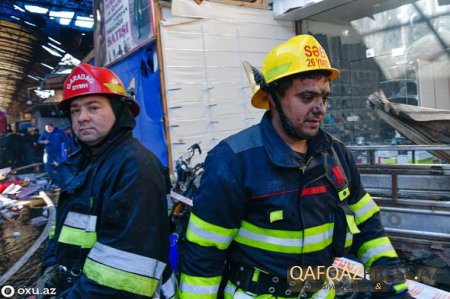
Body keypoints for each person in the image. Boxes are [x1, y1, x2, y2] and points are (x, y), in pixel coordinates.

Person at [179, 35, 411, 299]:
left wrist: (397, 292)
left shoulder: (337, 156)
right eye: (307, 97)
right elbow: (204, 253)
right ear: (273, 97)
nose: (320, 108)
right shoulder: (234, 161)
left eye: (324, 97)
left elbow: (370, 231)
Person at [38, 63, 176, 298]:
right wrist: (52, 266)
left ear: (118, 110)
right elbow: (62, 228)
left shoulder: (134, 167)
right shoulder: (82, 162)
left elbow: (121, 277)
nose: (82, 118)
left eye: (93, 107)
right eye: (75, 110)